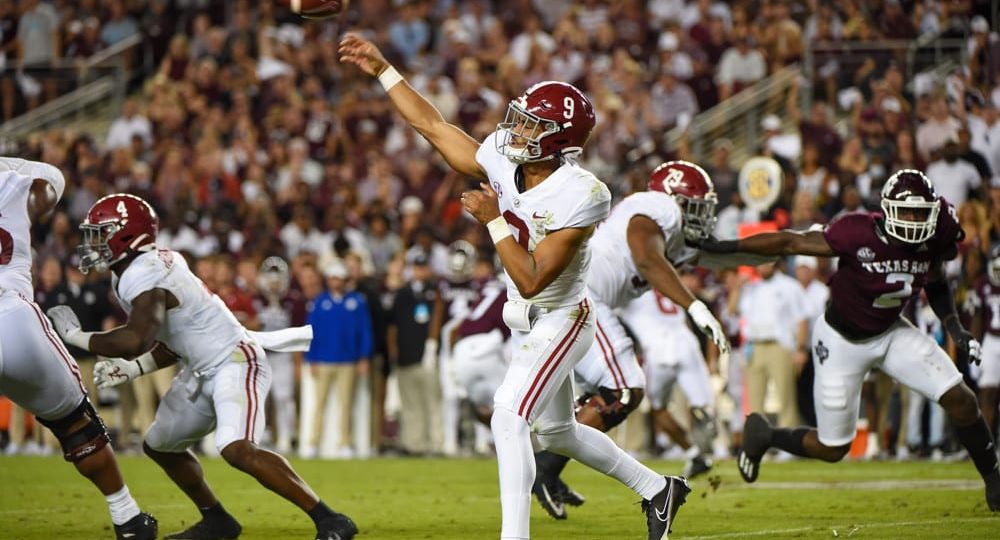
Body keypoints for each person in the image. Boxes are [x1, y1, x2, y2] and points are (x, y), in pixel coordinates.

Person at [339, 33, 689, 539]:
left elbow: (530, 278)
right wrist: (383, 70)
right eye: (522, 118)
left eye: (534, 125)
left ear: (560, 140)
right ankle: (659, 490)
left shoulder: (582, 194)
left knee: (508, 416)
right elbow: (432, 126)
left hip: (562, 316)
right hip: (526, 317)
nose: (518, 129)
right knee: (558, 431)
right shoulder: (508, 154)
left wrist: (493, 220)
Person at [46, 194, 358, 539]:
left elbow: (136, 338)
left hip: (235, 361)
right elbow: (180, 338)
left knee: (237, 448)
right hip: (201, 367)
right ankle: (217, 520)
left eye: (101, 233)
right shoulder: (138, 270)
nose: (94, 242)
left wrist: (76, 336)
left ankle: (331, 520)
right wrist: (134, 370)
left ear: (126, 235)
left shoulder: (144, 272)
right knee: (160, 445)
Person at [700, 169, 1000, 511]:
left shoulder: (937, 234)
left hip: (891, 332)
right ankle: (766, 435)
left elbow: (934, 280)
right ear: (887, 211)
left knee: (962, 399)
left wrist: (954, 327)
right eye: (907, 212)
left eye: (922, 213)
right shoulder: (856, 232)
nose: (915, 221)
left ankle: (993, 479)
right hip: (841, 341)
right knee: (832, 448)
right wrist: (725, 249)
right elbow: (789, 241)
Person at [533, 161, 730, 520]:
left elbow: (745, 249)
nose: (701, 215)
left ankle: (546, 470)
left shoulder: (674, 240)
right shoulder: (657, 207)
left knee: (603, 396)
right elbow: (646, 258)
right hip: (582, 294)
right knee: (623, 389)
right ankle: (542, 469)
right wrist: (695, 306)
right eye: (694, 205)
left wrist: (810, 242)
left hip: (575, 297)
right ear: (673, 199)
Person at [0, 158, 157, 539]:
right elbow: (51, 183)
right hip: (8, 315)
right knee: (76, 424)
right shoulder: (11, 182)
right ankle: (128, 517)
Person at [621, 290, 718, 478]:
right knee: (703, 404)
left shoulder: (626, 292)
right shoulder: (662, 284)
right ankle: (706, 429)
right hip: (687, 344)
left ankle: (694, 451)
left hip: (658, 350)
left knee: (658, 408)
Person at [303, 258, 373, 459]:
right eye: (333, 278)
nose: (336, 281)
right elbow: (311, 332)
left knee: (346, 405)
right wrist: (312, 358)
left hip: (348, 361)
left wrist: (364, 357)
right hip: (323, 360)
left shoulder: (357, 302)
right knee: (320, 404)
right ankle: (313, 443)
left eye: (339, 278)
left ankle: (345, 443)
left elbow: (364, 331)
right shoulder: (320, 302)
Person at [254, 256, 307, 455]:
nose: (274, 284)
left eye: (278, 280)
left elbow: (298, 331)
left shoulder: (293, 301)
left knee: (283, 397)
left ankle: (285, 437)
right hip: (260, 355)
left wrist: (296, 361)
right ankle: (258, 437)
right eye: (271, 279)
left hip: (283, 355)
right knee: (259, 398)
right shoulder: (256, 299)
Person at [972, 245, 1000, 442]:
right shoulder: (983, 284)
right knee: (987, 393)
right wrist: (975, 347)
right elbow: (977, 318)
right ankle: (986, 444)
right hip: (990, 340)